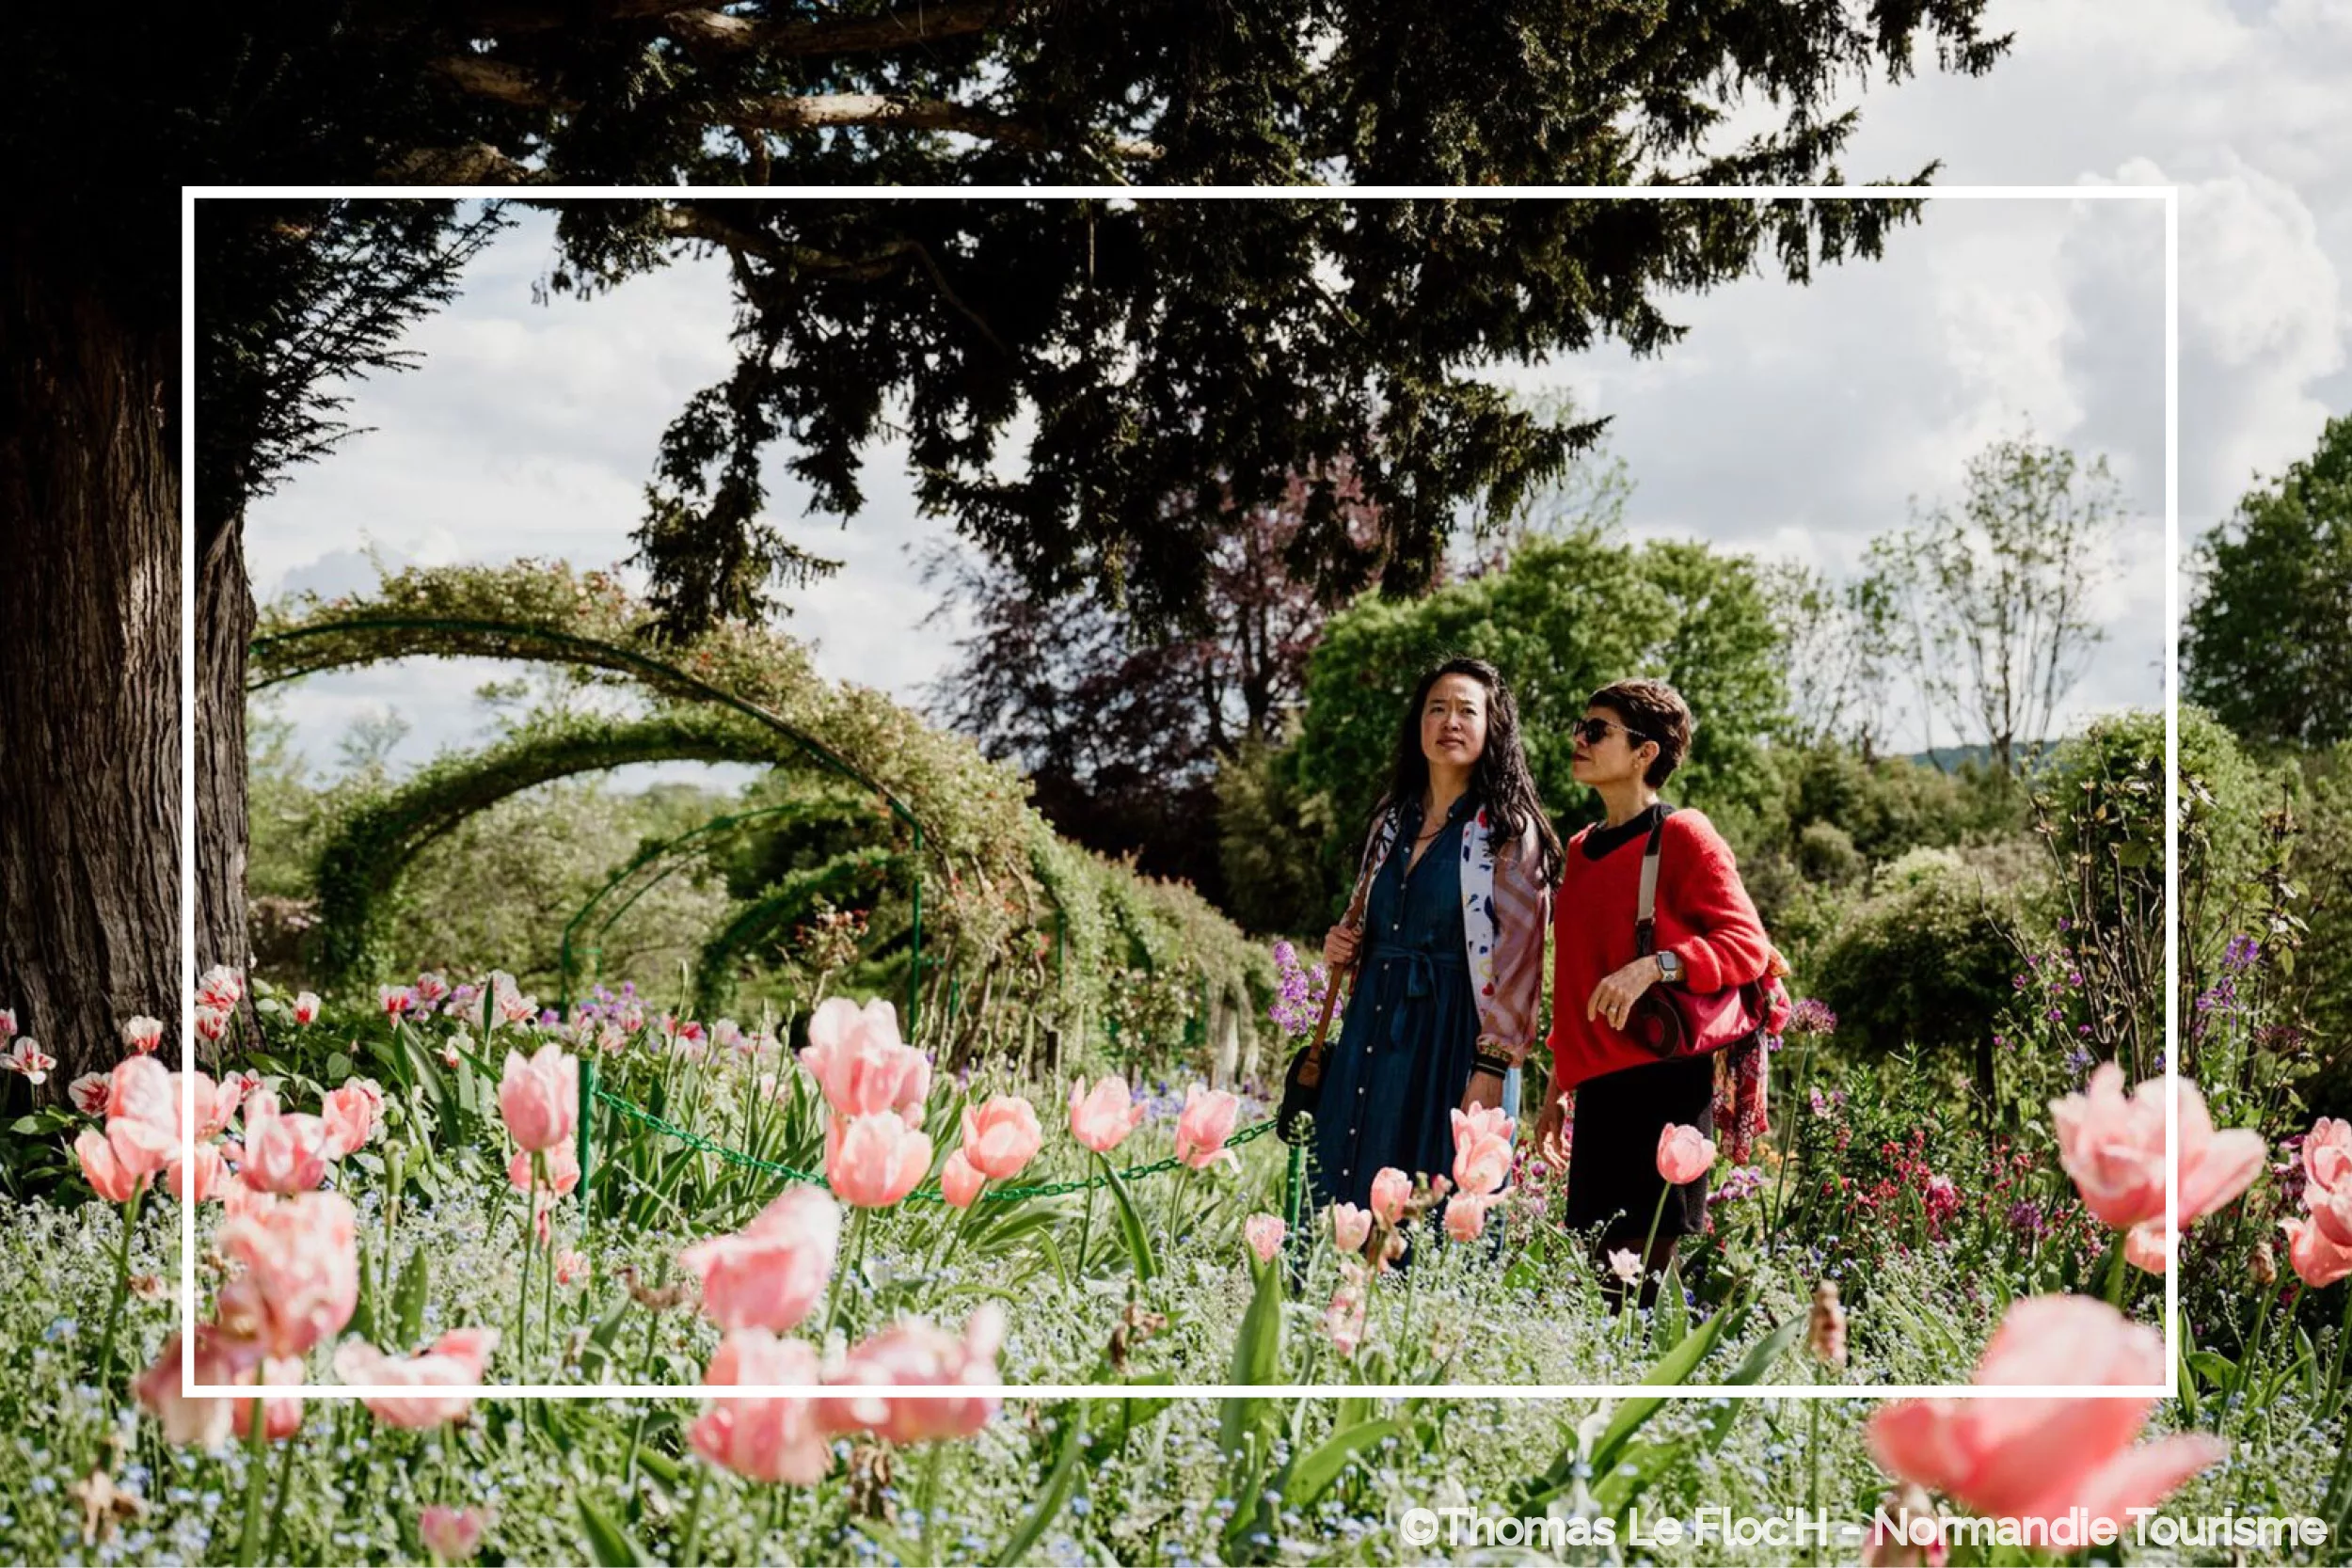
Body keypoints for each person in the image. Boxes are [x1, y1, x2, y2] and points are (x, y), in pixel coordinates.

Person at [1533, 678, 1772, 1311]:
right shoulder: (1580, 852)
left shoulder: (1685, 835)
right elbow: (1577, 983)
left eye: (1597, 730)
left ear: (1646, 752)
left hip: (1664, 1082)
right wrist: (1557, 1089)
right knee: (1607, 1281)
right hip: (1602, 1090)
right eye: (1581, 727)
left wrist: (1658, 964)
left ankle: (1668, 1401)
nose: (1579, 740)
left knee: (1646, 1286)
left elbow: (1748, 944)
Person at [1313, 656, 1563, 1232]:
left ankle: (1422, 1320)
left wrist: (1491, 1066)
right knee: (1349, 1179)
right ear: (1418, 725)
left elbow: (1522, 964)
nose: (1450, 721)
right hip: (1372, 1031)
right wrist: (1343, 943)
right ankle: (1324, 1309)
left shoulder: (1509, 830)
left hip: (1457, 1040)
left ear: (1492, 728)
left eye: (1467, 711)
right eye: (1437, 708)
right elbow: (1370, 920)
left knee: (1439, 1193)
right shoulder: (1390, 821)